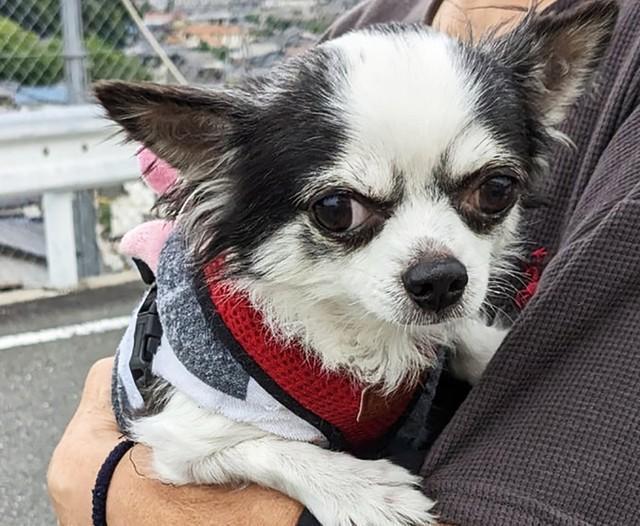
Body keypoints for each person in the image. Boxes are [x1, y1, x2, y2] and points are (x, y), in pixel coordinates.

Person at [48, 0, 640, 524]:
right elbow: (186, 447)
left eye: (489, 193)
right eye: (340, 211)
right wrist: (328, 482)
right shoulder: (232, 362)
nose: (437, 260)